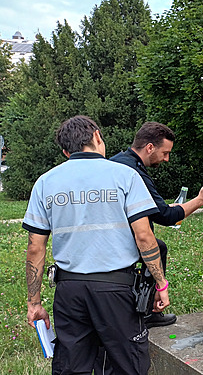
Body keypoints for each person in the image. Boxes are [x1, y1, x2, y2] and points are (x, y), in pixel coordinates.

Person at [24, 115, 170, 374]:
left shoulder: (45, 182)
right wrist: (161, 283)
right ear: (97, 136)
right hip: (116, 290)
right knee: (128, 365)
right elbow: (145, 237)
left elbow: (36, 248)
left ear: (66, 150)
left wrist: (34, 303)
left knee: (71, 366)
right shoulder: (125, 176)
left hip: (69, 291)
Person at [110, 121, 203, 328]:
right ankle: (149, 312)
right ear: (150, 147)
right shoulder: (135, 172)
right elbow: (165, 216)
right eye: (165, 153)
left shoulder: (116, 161)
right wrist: (200, 200)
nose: (166, 159)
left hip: (104, 238)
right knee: (157, 248)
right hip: (119, 242)